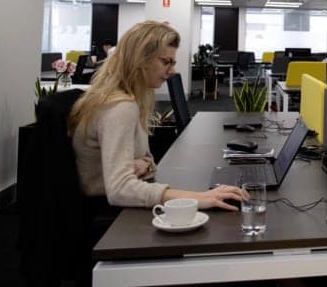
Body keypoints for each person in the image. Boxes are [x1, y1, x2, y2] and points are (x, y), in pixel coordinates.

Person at [69, 21, 247, 209]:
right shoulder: (120, 107)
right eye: (165, 62)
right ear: (140, 59)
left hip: (116, 202)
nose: (172, 71)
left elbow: (145, 159)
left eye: (173, 62)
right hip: (113, 215)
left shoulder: (122, 98)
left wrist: (144, 164)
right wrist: (198, 198)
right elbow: (120, 189)